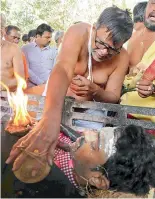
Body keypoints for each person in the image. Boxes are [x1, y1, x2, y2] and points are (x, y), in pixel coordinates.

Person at [6, 7, 133, 171]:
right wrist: (51, 118)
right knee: (33, 146)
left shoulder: (122, 57)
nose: (103, 52)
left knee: (79, 163)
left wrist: (95, 91)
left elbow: (114, 96)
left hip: (88, 116)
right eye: (100, 43)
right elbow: (63, 69)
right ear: (94, 28)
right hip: (54, 102)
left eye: (112, 50)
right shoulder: (79, 32)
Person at [3, 125, 155, 197]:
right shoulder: (76, 148)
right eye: (97, 131)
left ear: (97, 179)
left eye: (94, 143)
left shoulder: (49, 189)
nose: (86, 133)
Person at [121, 0, 155, 123]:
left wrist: (153, 89)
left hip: (154, 124)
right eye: (154, 2)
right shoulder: (132, 39)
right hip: (122, 116)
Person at [22, 23, 57, 88]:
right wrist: (41, 82)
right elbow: (26, 68)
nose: (49, 40)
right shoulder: (26, 49)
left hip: (48, 87)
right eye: (47, 37)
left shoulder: (54, 51)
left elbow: (55, 70)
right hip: (31, 88)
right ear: (38, 36)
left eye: (50, 37)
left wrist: (48, 83)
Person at [1, 14, 25, 92]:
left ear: (3, 30)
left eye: (0, 26)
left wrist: (3, 86)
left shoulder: (14, 49)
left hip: (5, 99)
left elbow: (20, 79)